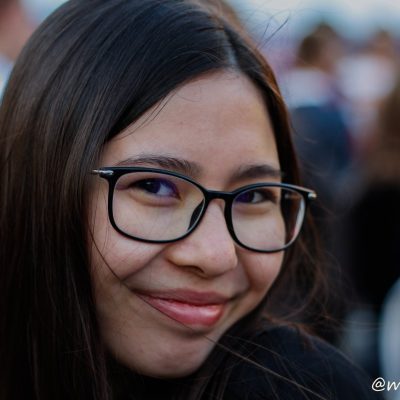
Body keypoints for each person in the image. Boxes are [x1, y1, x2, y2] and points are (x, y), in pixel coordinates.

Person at [0, 1, 383, 399]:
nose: (216, 256)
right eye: (155, 187)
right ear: (39, 185)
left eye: (254, 195)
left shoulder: (293, 385)